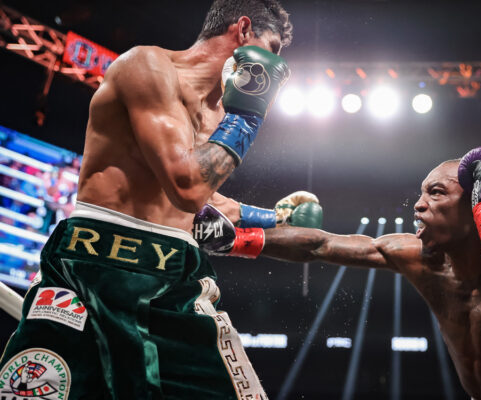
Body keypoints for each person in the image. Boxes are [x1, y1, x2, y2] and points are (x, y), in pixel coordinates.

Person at [0, 1, 291, 399]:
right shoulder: (148, 68)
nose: (272, 68)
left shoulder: (218, 114)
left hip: (174, 278)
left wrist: (275, 216)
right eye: (270, 49)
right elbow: (186, 186)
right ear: (243, 31)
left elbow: (200, 201)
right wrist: (249, 117)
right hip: (92, 266)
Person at [195, 146, 481, 400]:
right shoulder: (420, 256)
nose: (418, 206)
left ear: (475, 209)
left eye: (436, 193)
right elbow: (323, 244)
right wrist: (237, 239)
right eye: (421, 193)